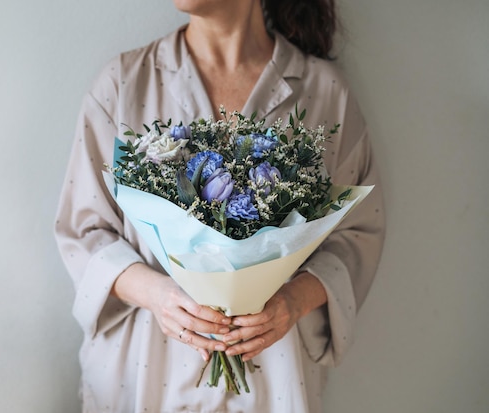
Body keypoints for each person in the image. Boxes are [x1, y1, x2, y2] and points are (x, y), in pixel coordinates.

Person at [55, 0, 385, 411]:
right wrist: (158, 295)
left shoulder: (324, 92)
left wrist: (292, 302)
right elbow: (83, 232)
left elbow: (357, 234)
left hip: (272, 376)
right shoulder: (123, 84)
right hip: (144, 372)